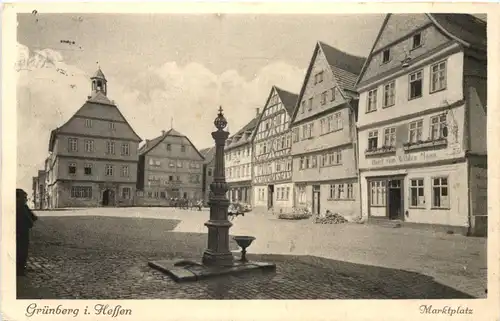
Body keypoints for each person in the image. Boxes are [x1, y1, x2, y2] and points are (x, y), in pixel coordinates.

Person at [16, 189, 37, 276]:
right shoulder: (20, 206)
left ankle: (20, 268)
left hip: (22, 231)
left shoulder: (23, 206)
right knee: (21, 251)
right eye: (24, 197)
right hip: (20, 232)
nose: (26, 199)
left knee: (22, 250)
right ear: (18, 197)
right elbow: (31, 219)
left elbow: (33, 217)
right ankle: (19, 270)